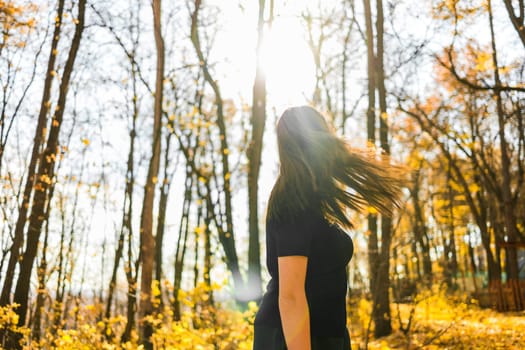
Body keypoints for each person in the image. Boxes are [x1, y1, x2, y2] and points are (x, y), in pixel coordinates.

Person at [253, 106, 404, 350]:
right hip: (293, 337)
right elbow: (290, 296)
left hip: (325, 334)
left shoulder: (314, 200)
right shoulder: (294, 199)